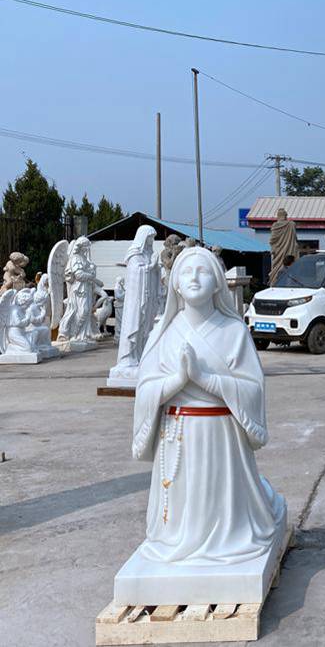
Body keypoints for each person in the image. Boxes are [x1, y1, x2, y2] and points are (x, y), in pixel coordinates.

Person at [131, 247, 285, 564]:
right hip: (176, 433)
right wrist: (176, 381)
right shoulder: (162, 333)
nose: (194, 278)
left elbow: (252, 388)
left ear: (218, 283)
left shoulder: (234, 332)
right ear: (174, 283)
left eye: (203, 271)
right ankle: (176, 539)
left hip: (221, 435)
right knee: (182, 507)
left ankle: (230, 534)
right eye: (187, 272)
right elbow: (145, 388)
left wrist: (205, 379)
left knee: (220, 503)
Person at [109, 225, 160, 380]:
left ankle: (141, 357)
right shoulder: (134, 255)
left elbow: (152, 273)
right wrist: (150, 267)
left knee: (145, 327)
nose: (152, 241)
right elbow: (136, 273)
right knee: (135, 326)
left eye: (153, 238)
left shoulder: (148, 254)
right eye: (150, 238)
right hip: (136, 301)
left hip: (146, 298)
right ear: (143, 238)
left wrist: (155, 268)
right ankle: (128, 359)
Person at [268, 209, 299, 286]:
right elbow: (295, 238)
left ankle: (275, 281)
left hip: (278, 251)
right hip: (289, 250)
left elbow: (272, 240)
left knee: (277, 268)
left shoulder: (275, 225)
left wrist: (274, 248)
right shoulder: (291, 224)